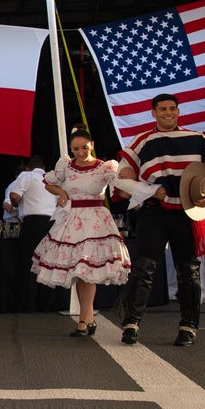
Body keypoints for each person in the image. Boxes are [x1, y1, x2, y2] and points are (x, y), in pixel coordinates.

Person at [116, 93, 205, 346]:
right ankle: (131, 324)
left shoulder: (196, 138)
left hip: (187, 214)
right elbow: (120, 179)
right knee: (144, 268)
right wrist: (151, 190)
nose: (169, 112)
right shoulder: (143, 141)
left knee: (188, 271)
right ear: (153, 113)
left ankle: (188, 327)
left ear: (178, 111)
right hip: (154, 212)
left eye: (173, 108)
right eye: (163, 109)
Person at [31, 130, 131, 335]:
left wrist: (130, 184)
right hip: (72, 219)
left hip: (96, 220)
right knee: (79, 272)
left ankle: (84, 322)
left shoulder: (105, 167)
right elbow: (49, 182)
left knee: (86, 270)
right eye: (76, 148)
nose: (80, 152)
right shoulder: (66, 166)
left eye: (84, 147)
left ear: (92, 144)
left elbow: (121, 188)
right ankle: (88, 319)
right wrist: (62, 192)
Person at [9, 156, 59, 312]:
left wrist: (17, 204)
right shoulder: (53, 179)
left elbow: (14, 196)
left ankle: (28, 305)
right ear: (43, 167)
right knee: (48, 263)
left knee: (30, 263)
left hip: (33, 222)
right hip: (52, 223)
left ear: (28, 168)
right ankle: (46, 304)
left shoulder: (26, 175)